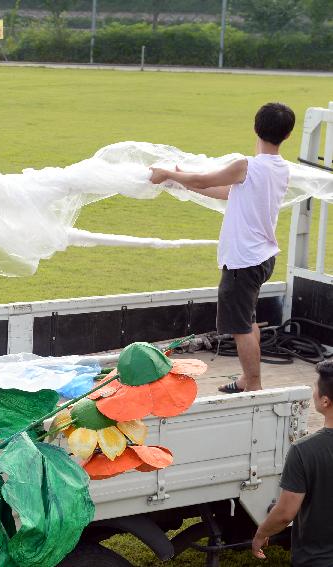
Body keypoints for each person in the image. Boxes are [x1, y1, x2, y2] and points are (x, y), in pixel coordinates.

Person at [149, 102, 295, 393]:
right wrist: (183, 183)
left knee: (241, 327)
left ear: (256, 127)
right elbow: (225, 191)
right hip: (262, 258)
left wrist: (169, 173)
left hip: (244, 262)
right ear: (287, 135)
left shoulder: (247, 165)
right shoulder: (280, 169)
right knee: (247, 320)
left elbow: (206, 178)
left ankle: (252, 383)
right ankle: (248, 379)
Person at [251, 360, 333, 565]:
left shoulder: (304, 451)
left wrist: (261, 533)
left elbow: (285, 513)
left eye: (315, 387)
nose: (313, 391)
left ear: (325, 401)